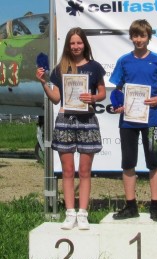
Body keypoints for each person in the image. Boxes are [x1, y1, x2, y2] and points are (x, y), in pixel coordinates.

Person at [36, 27, 106, 230]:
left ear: (85, 44)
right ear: (68, 45)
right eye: (72, 43)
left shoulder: (95, 67)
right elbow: (56, 98)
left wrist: (93, 98)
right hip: (65, 120)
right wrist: (43, 83)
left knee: (85, 171)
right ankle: (69, 213)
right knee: (67, 171)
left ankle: (82, 213)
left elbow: (101, 93)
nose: (76, 46)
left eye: (79, 42)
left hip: (87, 120)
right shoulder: (60, 68)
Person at [109, 19, 157, 222]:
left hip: (152, 121)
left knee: (154, 162)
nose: (139, 40)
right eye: (135, 36)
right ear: (131, 37)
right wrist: (117, 103)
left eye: (143, 36)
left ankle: (155, 206)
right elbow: (117, 89)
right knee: (128, 163)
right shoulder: (124, 61)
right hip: (128, 120)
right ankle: (131, 206)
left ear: (149, 37)